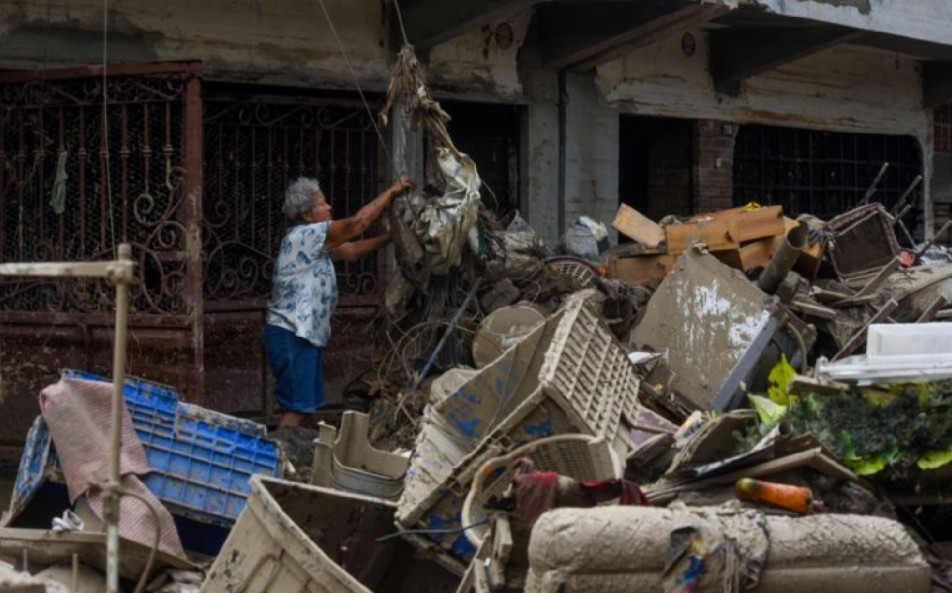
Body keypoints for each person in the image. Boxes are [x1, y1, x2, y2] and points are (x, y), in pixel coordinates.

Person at [263, 175, 414, 428]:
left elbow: (353, 251)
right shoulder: (307, 236)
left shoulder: (314, 242)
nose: (329, 207)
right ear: (308, 215)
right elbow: (358, 223)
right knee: (297, 409)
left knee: (306, 409)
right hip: (290, 332)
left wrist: (392, 236)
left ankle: (305, 460)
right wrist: (392, 191)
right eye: (323, 203)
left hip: (302, 334)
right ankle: (276, 461)